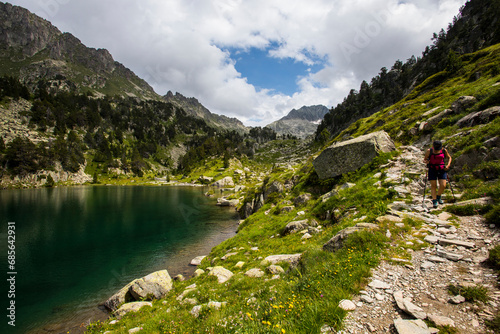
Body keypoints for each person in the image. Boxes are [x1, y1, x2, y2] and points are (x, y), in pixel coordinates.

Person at [424, 140, 452, 208]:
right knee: (433, 186)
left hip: (442, 169)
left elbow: (449, 158)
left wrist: (448, 166)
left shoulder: (444, 150)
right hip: (432, 169)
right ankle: (434, 201)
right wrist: (427, 161)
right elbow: (424, 159)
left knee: (443, 185)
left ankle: (438, 196)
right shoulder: (429, 151)